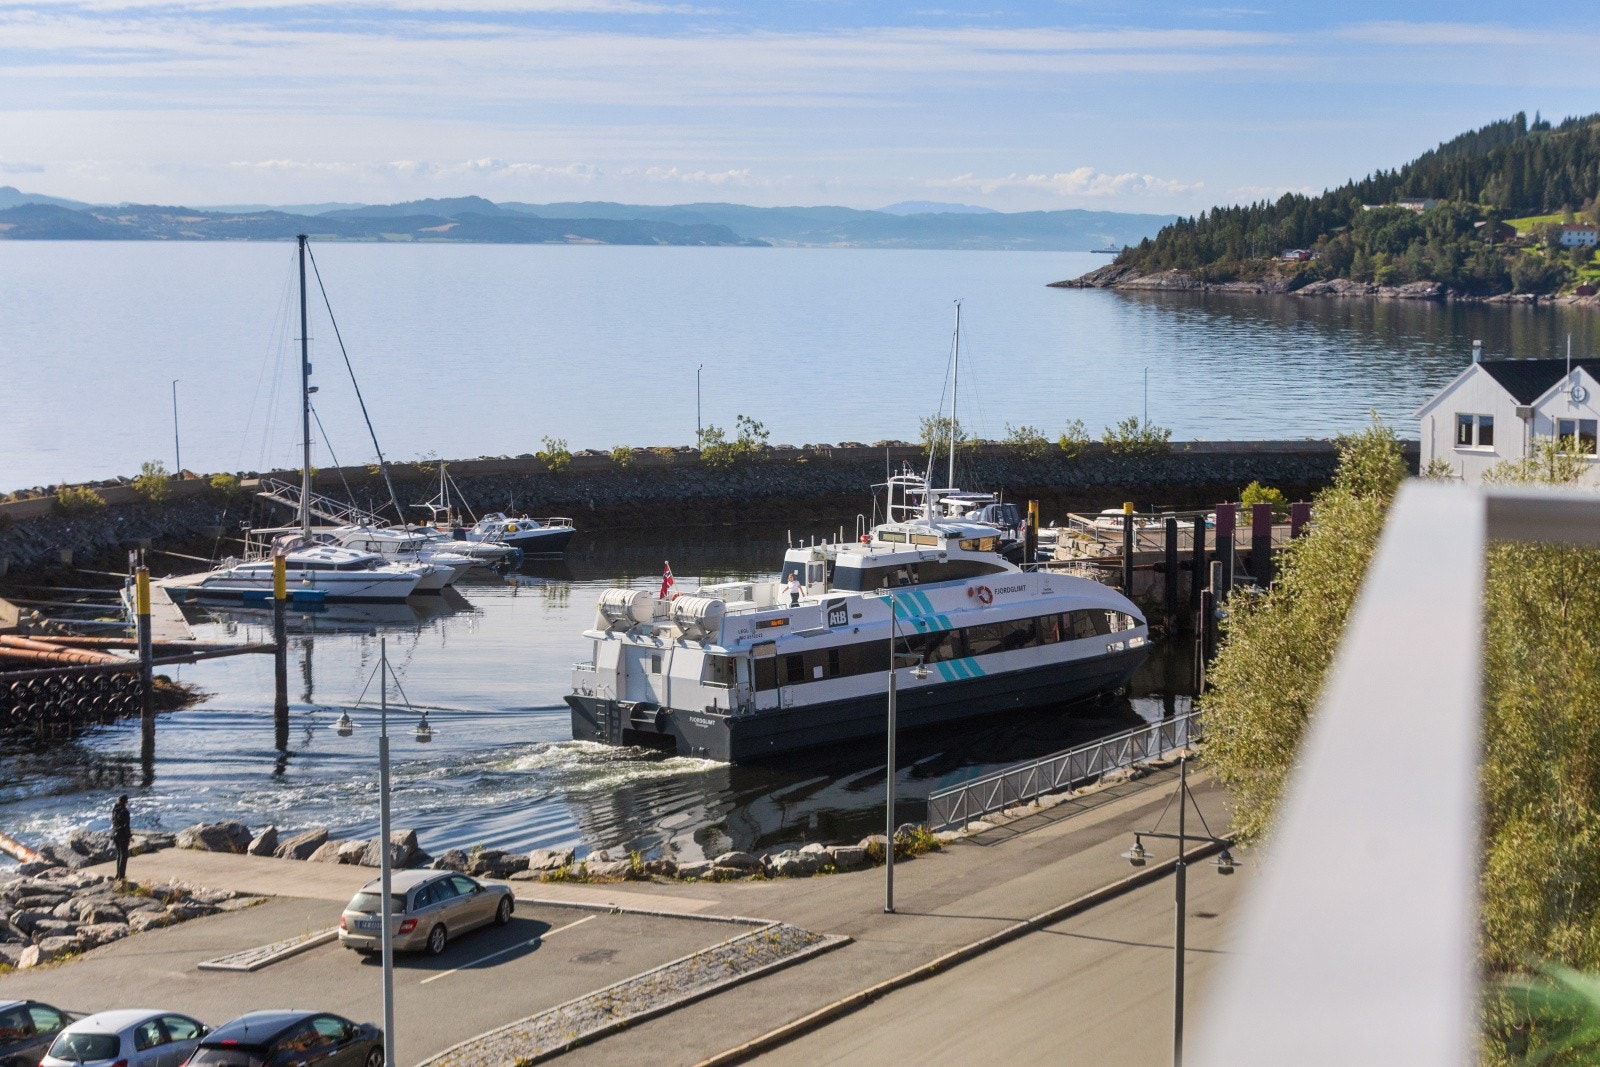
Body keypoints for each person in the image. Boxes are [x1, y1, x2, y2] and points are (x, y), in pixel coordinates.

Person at [111, 795, 132, 883]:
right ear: (125, 802)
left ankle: (118, 875)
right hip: (122, 835)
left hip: (115, 834)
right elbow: (126, 826)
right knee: (124, 855)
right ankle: (121, 876)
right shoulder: (125, 812)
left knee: (119, 854)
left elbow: (114, 822)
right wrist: (129, 836)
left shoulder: (114, 810)